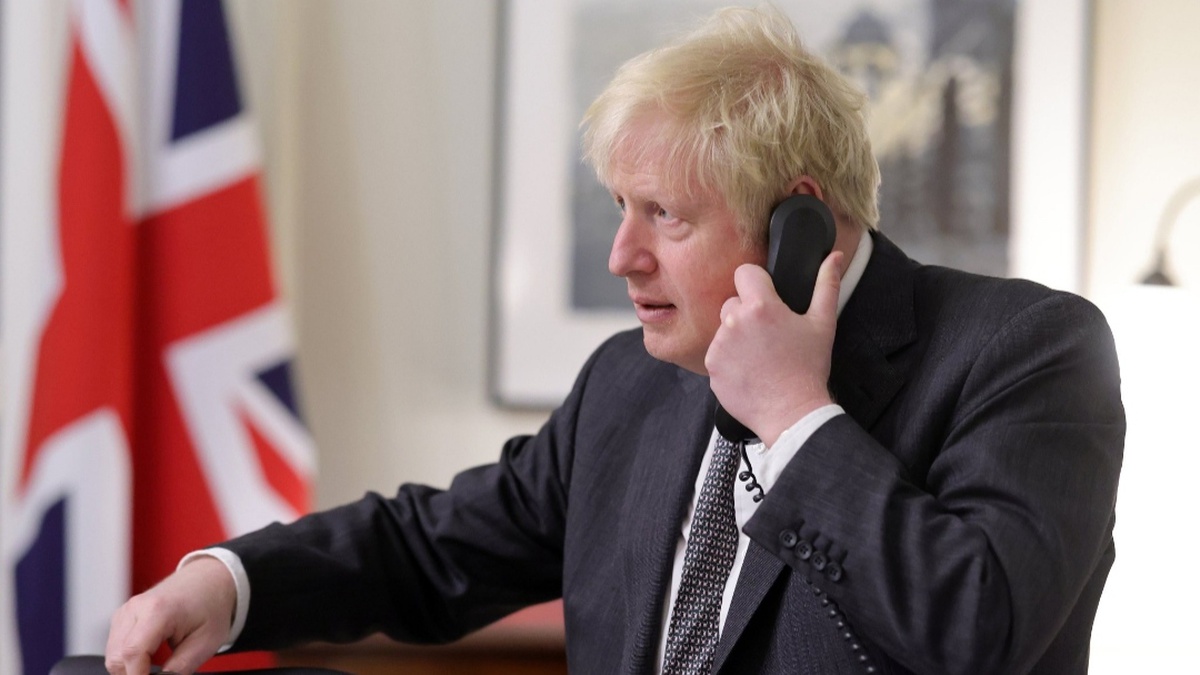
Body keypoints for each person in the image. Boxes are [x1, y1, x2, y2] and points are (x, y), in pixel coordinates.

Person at [105, 6, 1124, 674]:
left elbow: (978, 629)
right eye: (618, 209)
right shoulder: (631, 381)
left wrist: (796, 418)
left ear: (798, 221)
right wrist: (227, 584)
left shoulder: (1028, 352)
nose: (621, 257)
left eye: (664, 216)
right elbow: (434, 547)